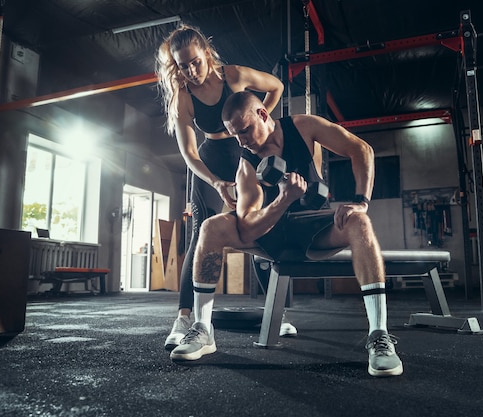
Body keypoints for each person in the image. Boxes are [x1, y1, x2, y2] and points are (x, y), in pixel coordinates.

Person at [170, 91, 403, 377]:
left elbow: (362, 150)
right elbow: (247, 227)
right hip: (268, 234)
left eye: (245, 130)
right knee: (211, 227)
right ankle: (203, 329)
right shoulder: (246, 166)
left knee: (360, 222)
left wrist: (360, 201)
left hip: (312, 229)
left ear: (263, 115)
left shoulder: (304, 127)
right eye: (235, 135)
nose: (242, 141)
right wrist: (284, 199)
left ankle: (379, 336)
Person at [155, 25, 297, 350]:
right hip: (209, 162)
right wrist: (215, 181)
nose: (191, 71)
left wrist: (259, 121)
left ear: (205, 52)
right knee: (201, 233)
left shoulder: (233, 76)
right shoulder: (184, 98)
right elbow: (189, 153)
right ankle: (184, 318)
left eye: (194, 62)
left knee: (257, 228)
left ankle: (280, 313)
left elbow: (276, 87)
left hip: (243, 153)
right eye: (183, 66)